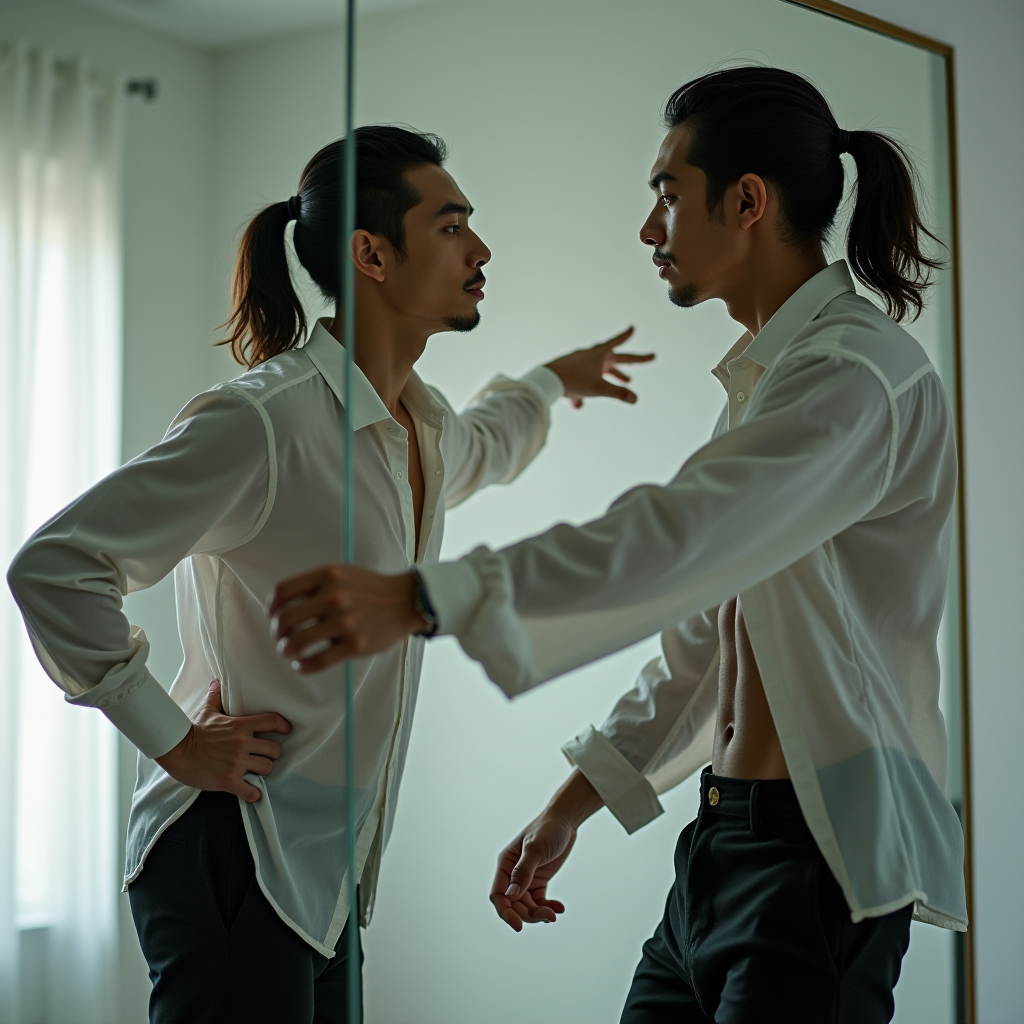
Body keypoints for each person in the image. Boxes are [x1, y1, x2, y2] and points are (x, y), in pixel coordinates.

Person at [269, 69, 968, 1023]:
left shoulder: (851, 378)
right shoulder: (774, 383)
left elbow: (673, 536)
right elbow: (707, 645)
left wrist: (428, 596)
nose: (650, 229)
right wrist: (573, 803)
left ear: (749, 202)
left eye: (667, 195)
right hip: (721, 848)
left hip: (815, 867)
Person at [6, 125, 653, 1024]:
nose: (482, 249)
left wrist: (553, 381)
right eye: (454, 225)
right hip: (236, 846)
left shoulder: (420, 427)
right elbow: (57, 566)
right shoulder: (262, 424)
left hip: (329, 866)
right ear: (371, 254)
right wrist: (171, 738)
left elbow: (489, 441)